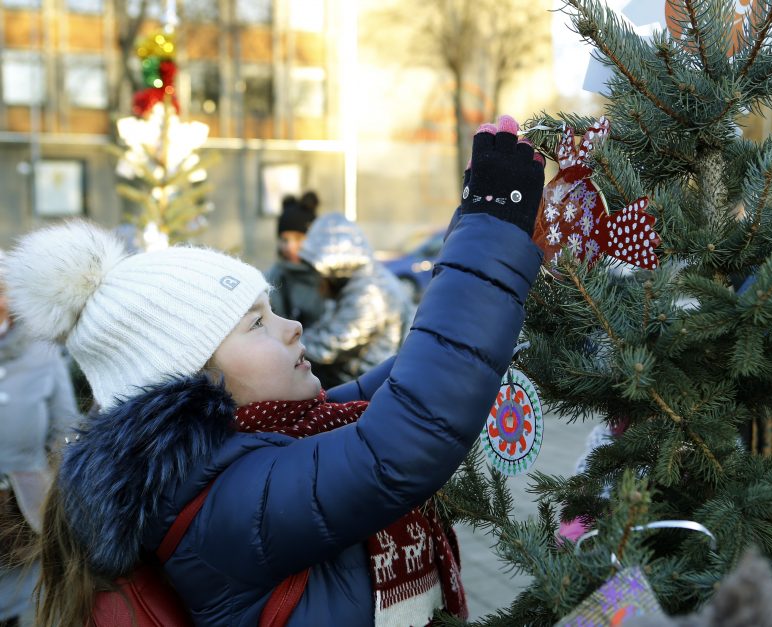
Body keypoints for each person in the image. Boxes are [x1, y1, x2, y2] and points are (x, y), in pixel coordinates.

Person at [7, 114, 544, 626]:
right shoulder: (220, 504)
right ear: (193, 380)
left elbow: (404, 386)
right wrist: (491, 228)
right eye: (256, 325)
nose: (291, 326)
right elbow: (399, 441)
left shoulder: (274, 435)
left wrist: (491, 260)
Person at [0, 252, 80, 627]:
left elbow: (66, 430)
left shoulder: (40, 352)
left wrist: (55, 494)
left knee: (25, 609)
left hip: (22, 515)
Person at [298, 213, 414, 388]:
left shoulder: (370, 292)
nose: (318, 283)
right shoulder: (358, 282)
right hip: (361, 376)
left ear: (334, 269)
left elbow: (334, 343)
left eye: (319, 275)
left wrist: (291, 348)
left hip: (369, 385)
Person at [265, 193, 326, 324]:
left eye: (298, 238)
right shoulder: (274, 280)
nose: (290, 246)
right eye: (284, 239)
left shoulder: (328, 277)